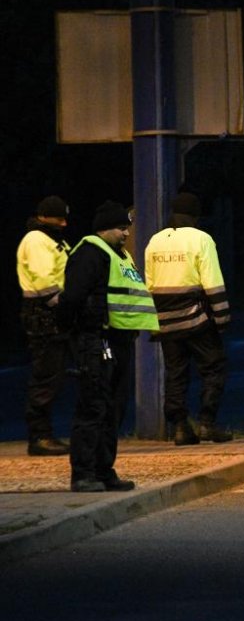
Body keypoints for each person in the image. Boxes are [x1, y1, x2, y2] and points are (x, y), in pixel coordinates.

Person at [57, 201, 159, 492]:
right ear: (104, 228)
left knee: (114, 408)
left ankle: (104, 470)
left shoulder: (120, 255)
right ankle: (84, 474)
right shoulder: (90, 253)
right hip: (95, 339)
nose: (126, 233)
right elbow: (73, 298)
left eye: (127, 227)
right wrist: (72, 332)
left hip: (119, 340)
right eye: (121, 228)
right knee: (93, 407)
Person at [144, 192, 233, 445]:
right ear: (196, 216)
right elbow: (212, 280)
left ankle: (181, 427)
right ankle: (207, 423)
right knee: (214, 367)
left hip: (165, 320)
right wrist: (222, 317)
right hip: (196, 319)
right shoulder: (201, 239)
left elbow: (149, 282)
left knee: (175, 373)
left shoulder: (155, 241)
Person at [16, 196, 73, 456]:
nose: (64, 223)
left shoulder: (50, 238)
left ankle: (43, 433)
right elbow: (44, 278)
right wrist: (60, 304)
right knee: (46, 373)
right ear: (45, 217)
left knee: (53, 373)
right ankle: (39, 436)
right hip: (44, 311)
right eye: (59, 218)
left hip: (49, 311)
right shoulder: (37, 240)